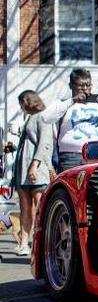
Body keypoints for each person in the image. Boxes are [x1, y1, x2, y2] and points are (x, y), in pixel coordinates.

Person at [42, 68, 98, 172]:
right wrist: (73, 100)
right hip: (72, 157)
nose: (85, 89)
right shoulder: (64, 104)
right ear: (71, 86)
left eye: (88, 85)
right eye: (81, 86)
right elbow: (45, 118)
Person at [9, 90, 53, 255]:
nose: (21, 107)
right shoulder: (29, 118)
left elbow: (45, 143)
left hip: (36, 170)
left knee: (40, 208)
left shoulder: (43, 117)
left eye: (22, 103)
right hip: (22, 170)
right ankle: (24, 243)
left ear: (27, 101)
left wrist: (34, 165)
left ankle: (42, 244)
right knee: (25, 208)